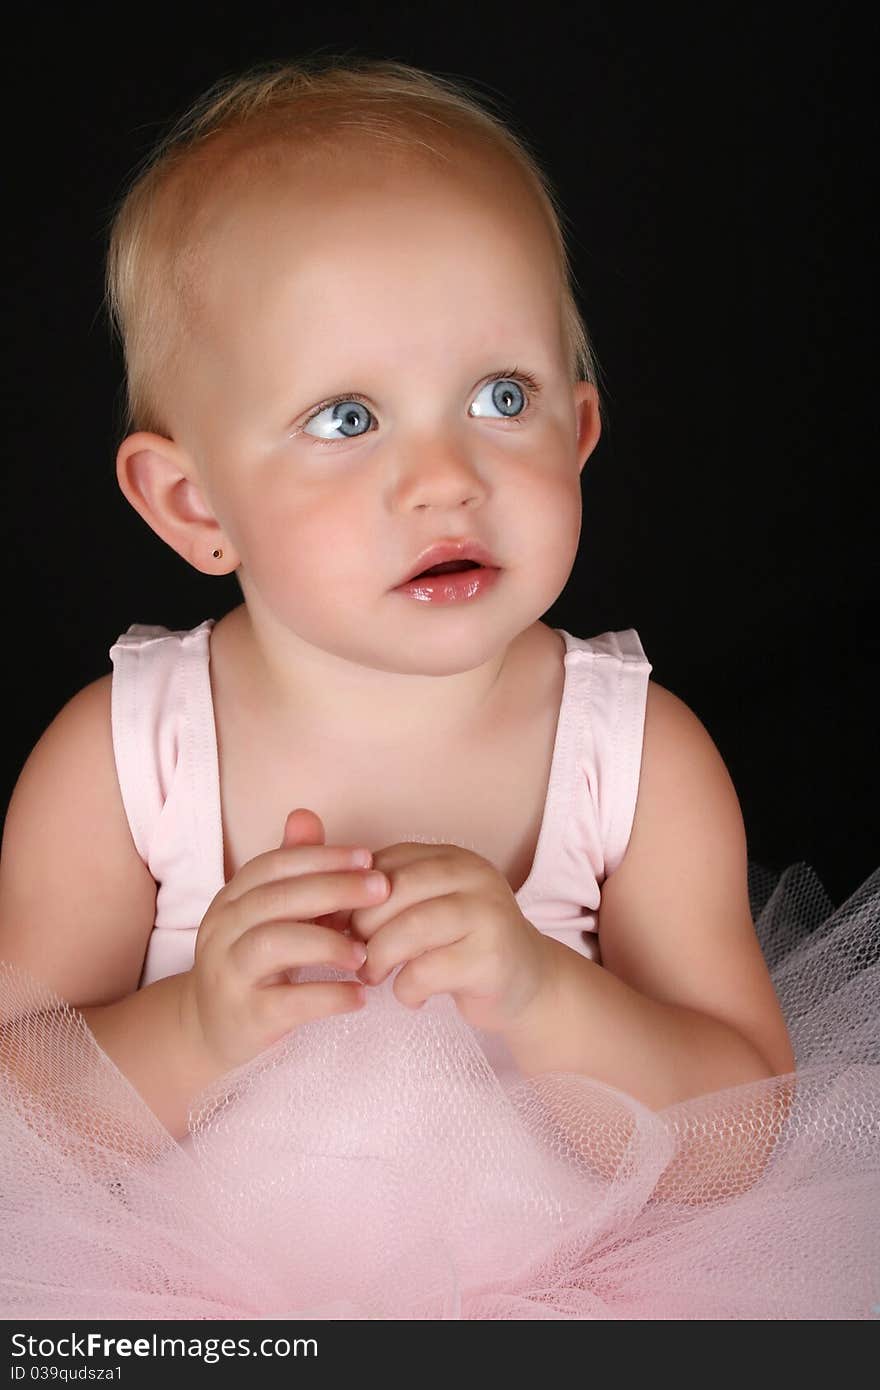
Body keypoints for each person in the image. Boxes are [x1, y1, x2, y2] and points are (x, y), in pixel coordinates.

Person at [0, 54, 877, 1321]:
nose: (445, 478)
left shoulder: (630, 754)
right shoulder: (128, 756)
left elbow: (740, 1134)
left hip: (583, 1295)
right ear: (194, 505)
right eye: (348, 417)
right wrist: (194, 1027)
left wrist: (540, 992)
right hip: (185, 1309)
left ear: (578, 431)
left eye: (499, 396)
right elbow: (18, 1111)